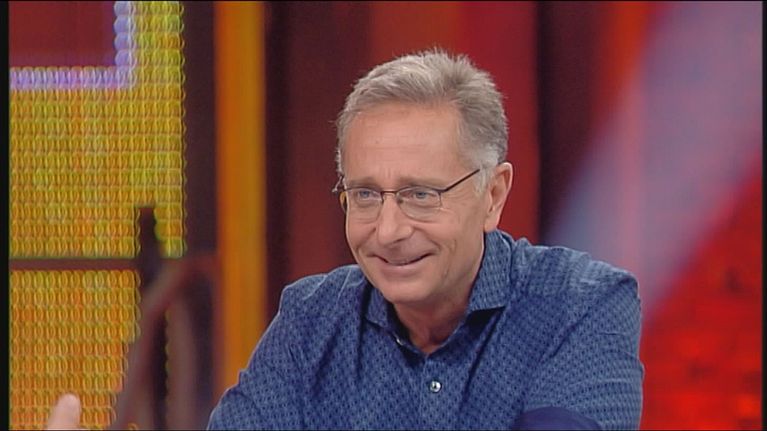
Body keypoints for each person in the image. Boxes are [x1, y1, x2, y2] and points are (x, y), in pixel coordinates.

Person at [47, 49, 643, 430]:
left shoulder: (582, 305)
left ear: (493, 194)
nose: (388, 230)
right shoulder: (312, 320)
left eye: (420, 195)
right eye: (365, 194)